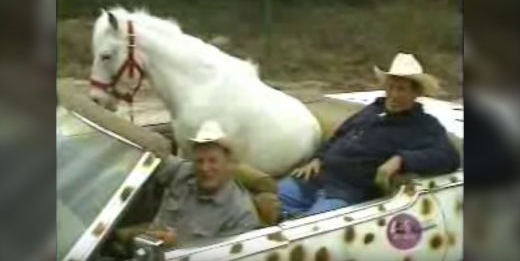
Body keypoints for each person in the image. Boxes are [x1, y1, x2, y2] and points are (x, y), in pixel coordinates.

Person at [278, 53, 461, 219]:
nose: (394, 95)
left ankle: (296, 218)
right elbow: (339, 135)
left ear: (416, 93)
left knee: (312, 227)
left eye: (402, 89)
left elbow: (449, 157)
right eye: (391, 87)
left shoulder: (423, 125)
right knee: (274, 196)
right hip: (317, 179)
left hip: (346, 192)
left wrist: (402, 160)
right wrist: (318, 158)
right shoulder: (372, 110)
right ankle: (291, 216)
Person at [116, 120, 261, 249]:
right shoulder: (183, 171)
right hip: (142, 248)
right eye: (199, 161)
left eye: (213, 161)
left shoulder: (241, 215)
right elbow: (152, 152)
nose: (204, 168)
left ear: (229, 164)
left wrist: (176, 246)